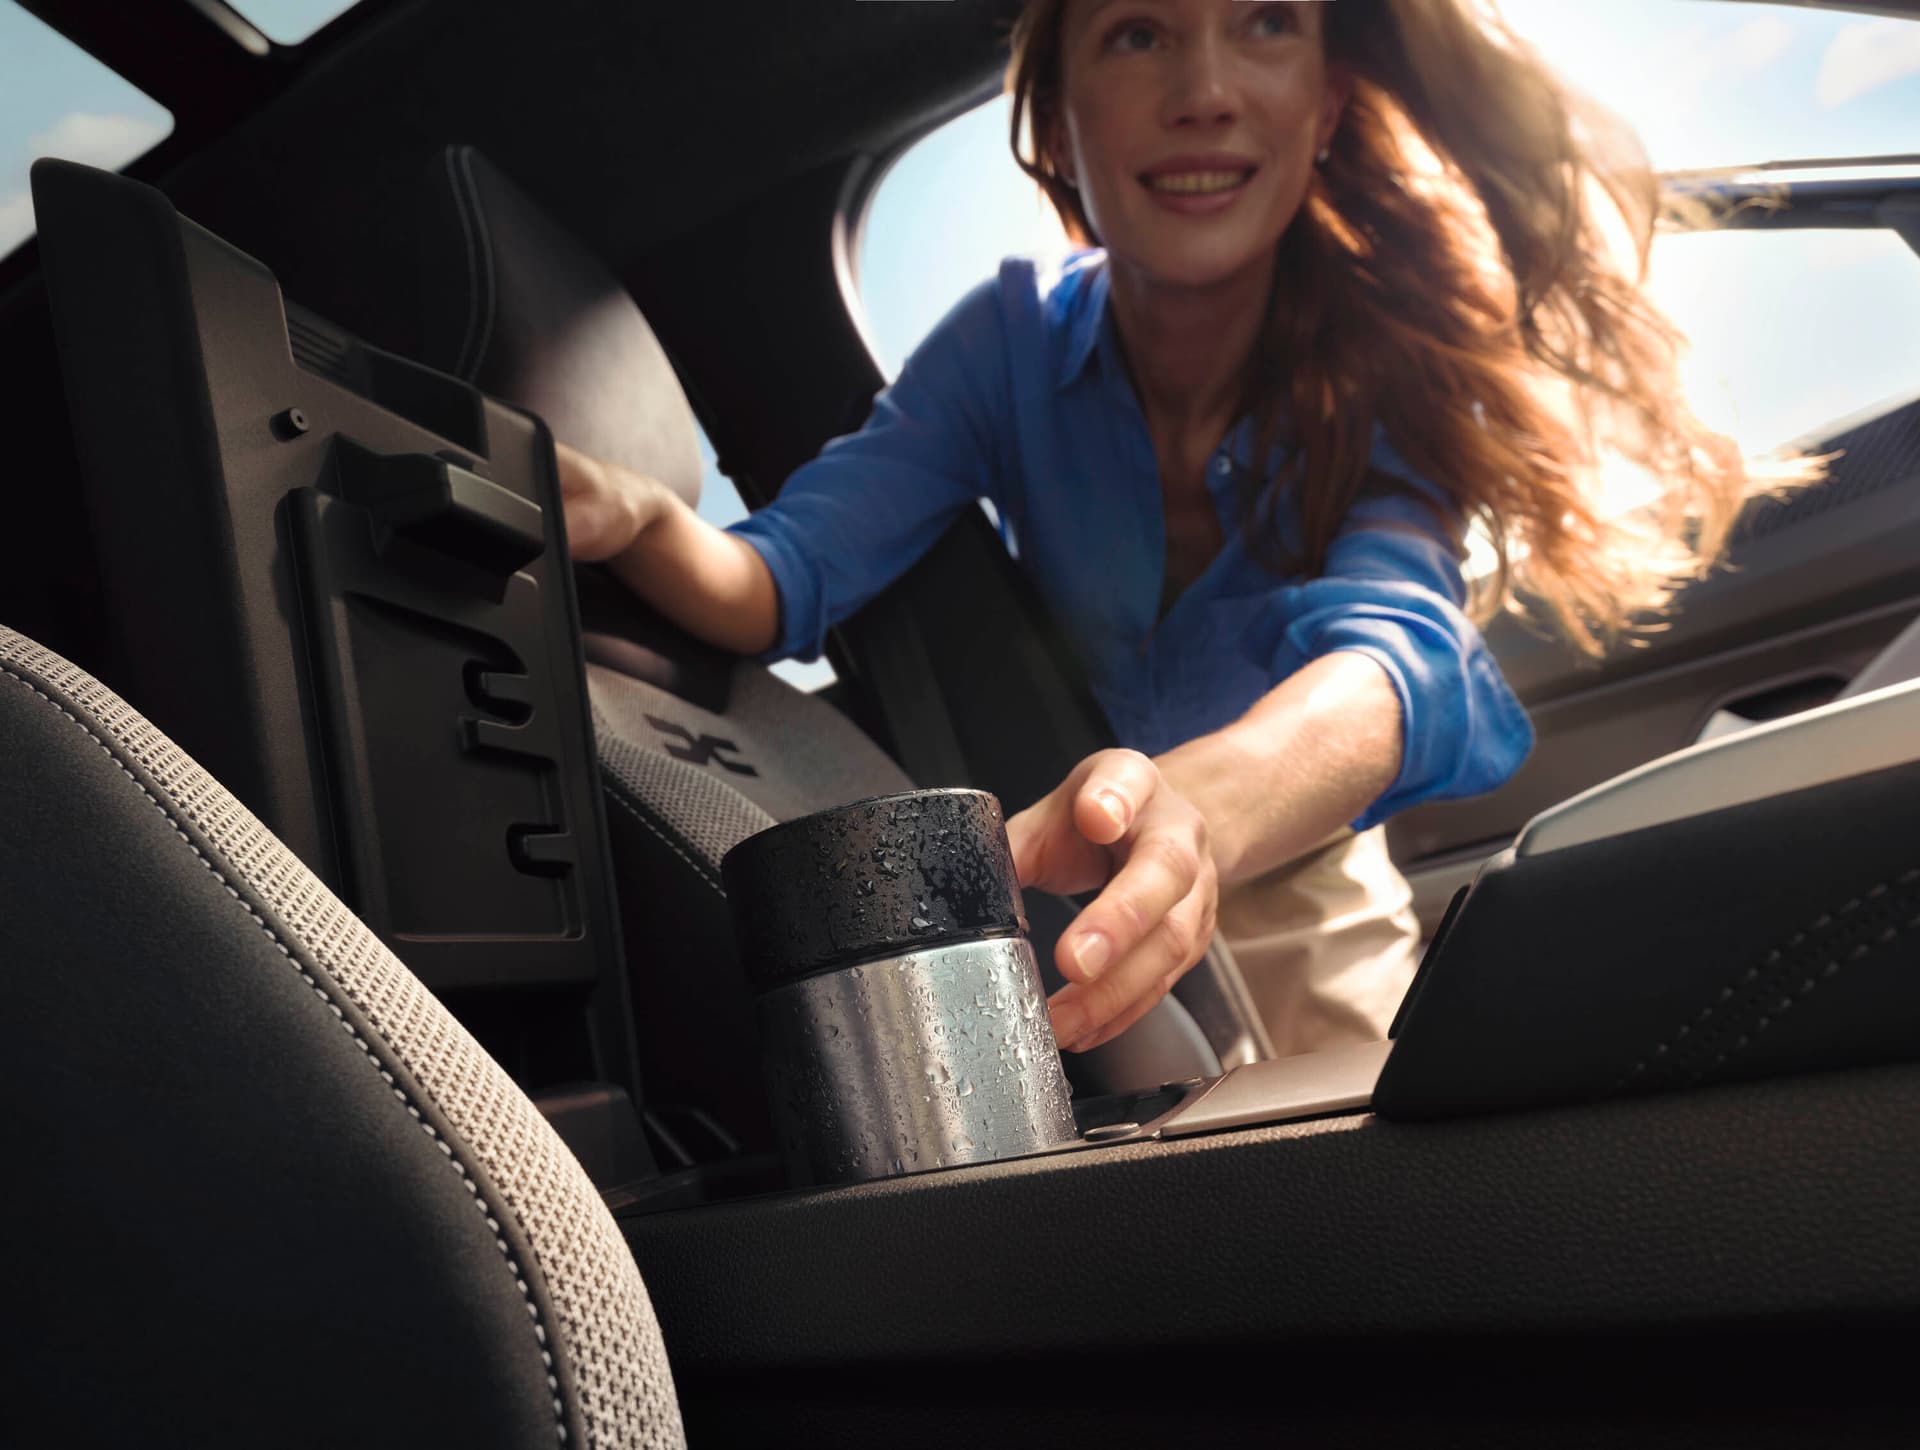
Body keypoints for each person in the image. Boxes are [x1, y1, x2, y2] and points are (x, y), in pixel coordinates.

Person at [557, 0, 1782, 1059]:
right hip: (1078, 878)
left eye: (1266, 24)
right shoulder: (1004, 345)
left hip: (1304, 877)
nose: (1204, 93)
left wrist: (1193, 806)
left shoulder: (1389, 367)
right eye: (1139, 33)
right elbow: (785, 572)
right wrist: (643, 514)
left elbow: (1395, 654)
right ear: (1057, 120)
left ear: (1326, 105)